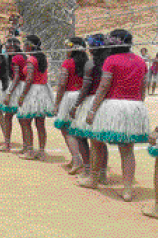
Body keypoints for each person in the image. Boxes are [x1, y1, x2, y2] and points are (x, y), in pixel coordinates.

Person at [78, 29, 149, 203]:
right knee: (127, 150)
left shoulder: (111, 60)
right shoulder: (140, 61)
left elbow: (103, 87)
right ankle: (127, 190)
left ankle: (94, 179)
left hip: (113, 106)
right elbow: (143, 88)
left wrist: (93, 110)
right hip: (134, 106)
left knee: (96, 141)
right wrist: (139, 105)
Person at [69, 34, 110, 184]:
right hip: (106, 103)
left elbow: (86, 88)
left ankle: (88, 169)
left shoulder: (91, 64)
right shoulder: (108, 62)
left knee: (81, 136)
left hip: (91, 101)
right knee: (100, 139)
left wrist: (75, 105)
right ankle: (103, 174)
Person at [15, 35, 54, 160]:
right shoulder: (43, 58)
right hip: (43, 90)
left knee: (26, 121)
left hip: (33, 91)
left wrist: (22, 95)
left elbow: (29, 78)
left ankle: (30, 150)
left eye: (25, 44)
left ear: (30, 45)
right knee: (40, 123)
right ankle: (41, 151)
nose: (23, 46)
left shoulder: (31, 59)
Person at [53, 37, 88, 175]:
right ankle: (85, 162)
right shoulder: (88, 63)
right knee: (80, 129)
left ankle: (76, 159)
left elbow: (62, 84)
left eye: (68, 46)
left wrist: (57, 103)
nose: (66, 49)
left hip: (70, 96)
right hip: (84, 97)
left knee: (66, 128)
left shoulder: (67, 63)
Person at [1, 38, 27, 152]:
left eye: (9, 48)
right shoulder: (24, 56)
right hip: (23, 86)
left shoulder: (16, 58)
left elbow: (16, 77)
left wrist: (9, 93)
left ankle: (7, 144)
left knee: (8, 116)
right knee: (22, 119)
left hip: (17, 87)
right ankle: (26, 146)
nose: (7, 50)